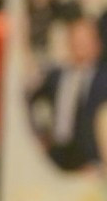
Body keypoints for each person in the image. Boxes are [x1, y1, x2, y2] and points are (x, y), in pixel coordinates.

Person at [27, 12, 107, 173]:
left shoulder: (103, 79)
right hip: (54, 159)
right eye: (76, 39)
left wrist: (99, 163)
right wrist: (40, 135)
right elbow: (32, 101)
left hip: (90, 165)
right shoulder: (55, 76)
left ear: (96, 43)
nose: (80, 45)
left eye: (85, 40)